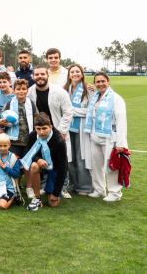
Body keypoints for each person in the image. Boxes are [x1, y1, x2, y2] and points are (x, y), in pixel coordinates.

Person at [27, 65, 74, 198]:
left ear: (47, 74)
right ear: (33, 77)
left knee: (61, 160)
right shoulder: (30, 92)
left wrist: (62, 130)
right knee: (43, 158)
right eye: (37, 75)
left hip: (57, 131)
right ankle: (44, 185)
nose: (40, 77)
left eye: (42, 74)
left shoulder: (59, 92)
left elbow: (68, 111)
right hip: (40, 133)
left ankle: (63, 188)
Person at [84, 72, 128, 202]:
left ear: (108, 82)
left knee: (111, 165)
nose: (100, 84)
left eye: (103, 81)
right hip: (95, 135)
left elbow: (121, 120)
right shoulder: (95, 97)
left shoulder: (116, 98)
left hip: (110, 136)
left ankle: (114, 193)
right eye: (97, 82)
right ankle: (99, 189)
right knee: (96, 164)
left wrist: (120, 143)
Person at [24, 114, 69, 211]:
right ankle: (37, 198)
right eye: (38, 129)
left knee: (53, 203)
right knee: (34, 166)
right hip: (40, 165)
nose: (41, 132)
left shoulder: (59, 140)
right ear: (35, 128)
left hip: (55, 168)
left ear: (51, 127)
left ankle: (51, 190)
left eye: (44, 128)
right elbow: (27, 153)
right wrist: (37, 159)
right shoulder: (32, 136)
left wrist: (56, 192)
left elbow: (63, 167)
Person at [64, 64, 93, 196]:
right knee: (69, 158)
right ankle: (73, 184)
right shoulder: (65, 89)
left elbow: (92, 110)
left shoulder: (88, 90)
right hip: (68, 127)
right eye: (72, 72)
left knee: (81, 158)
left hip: (81, 127)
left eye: (77, 71)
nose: (75, 74)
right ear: (69, 75)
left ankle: (85, 186)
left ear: (82, 74)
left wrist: (71, 111)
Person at [1, 79, 37, 159]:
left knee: (27, 164)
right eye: (18, 89)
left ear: (27, 90)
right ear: (13, 91)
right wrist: (2, 123)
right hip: (13, 142)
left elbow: (36, 119)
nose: (21, 91)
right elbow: (1, 119)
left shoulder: (31, 104)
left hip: (28, 141)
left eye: (24, 89)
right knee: (13, 163)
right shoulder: (9, 104)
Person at [0, 72, 15, 142]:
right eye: (0, 82)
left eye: (4, 82)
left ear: (10, 82)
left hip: (14, 127)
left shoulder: (16, 94)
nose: (2, 84)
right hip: (1, 126)